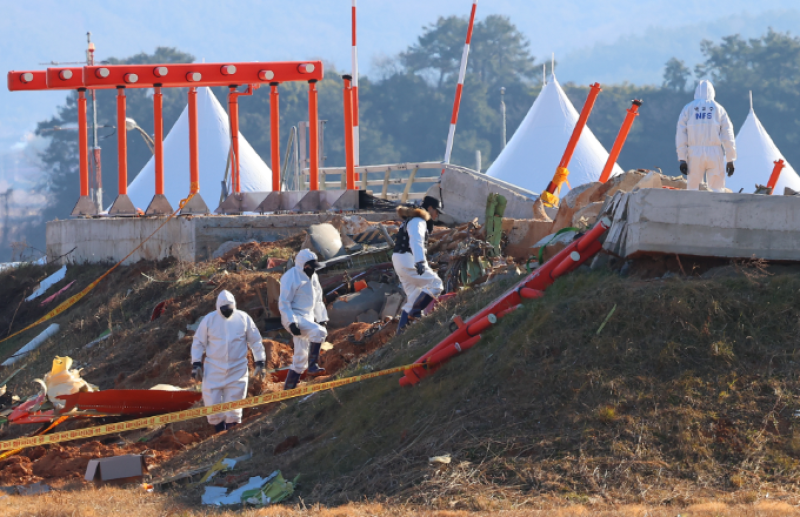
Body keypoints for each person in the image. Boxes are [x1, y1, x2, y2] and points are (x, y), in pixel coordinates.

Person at [191, 290, 266, 433]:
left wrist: (260, 361)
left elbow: (255, 341)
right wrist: (196, 364)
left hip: (237, 370)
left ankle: (231, 436)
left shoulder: (243, 318)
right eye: (224, 310)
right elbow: (198, 342)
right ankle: (219, 433)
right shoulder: (209, 320)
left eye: (229, 309)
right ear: (218, 307)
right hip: (214, 369)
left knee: (234, 408)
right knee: (212, 406)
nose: (227, 312)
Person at [392, 195, 444, 334]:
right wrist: (420, 261)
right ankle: (414, 314)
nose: (437, 215)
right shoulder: (418, 220)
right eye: (436, 211)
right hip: (409, 258)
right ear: (430, 208)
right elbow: (416, 241)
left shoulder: (410, 220)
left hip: (399, 259)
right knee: (436, 284)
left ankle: (401, 334)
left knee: (413, 297)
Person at [278, 249, 329, 390]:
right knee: (319, 332)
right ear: (305, 266)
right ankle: (313, 366)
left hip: (307, 318)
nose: (314, 270)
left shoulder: (314, 277)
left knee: (300, 359)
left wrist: (322, 318)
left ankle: (288, 392)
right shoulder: (290, 277)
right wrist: (291, 322)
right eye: (311, 266)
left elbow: (318, 300)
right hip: (294, 317)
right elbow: (284, 302)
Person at [676, 79, 737, 192]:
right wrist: (730, 159)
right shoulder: (718, 108)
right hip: (715, 152)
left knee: (693, 189)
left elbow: (681, 134)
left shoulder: (688, 108)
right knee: (717, 189)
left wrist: (682, 159)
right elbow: (728, 134)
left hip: (694, 153)